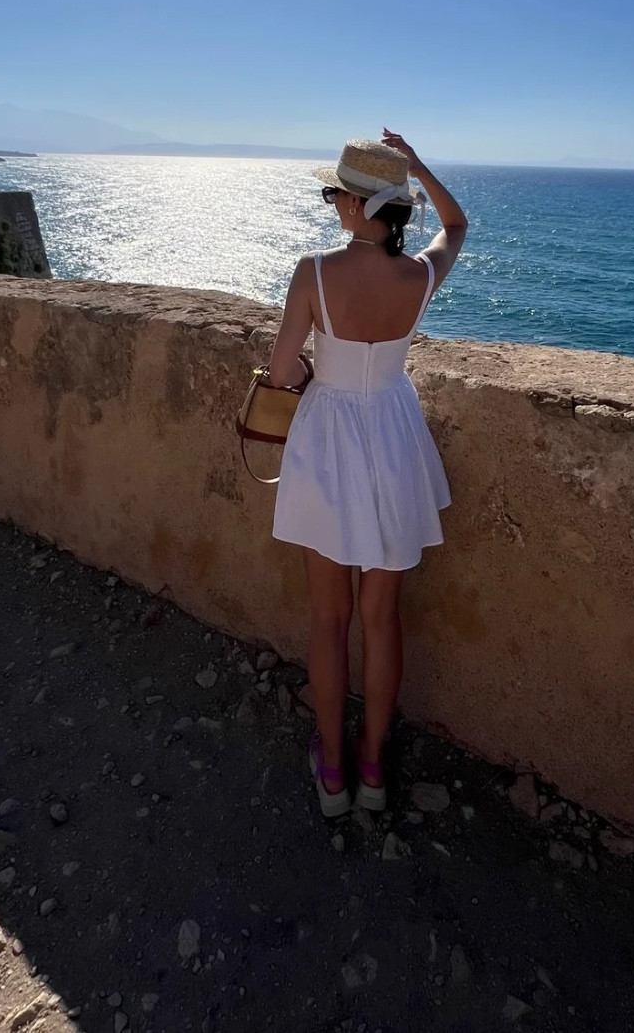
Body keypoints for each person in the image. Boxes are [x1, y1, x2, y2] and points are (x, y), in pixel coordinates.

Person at [266, 130, 468, 817]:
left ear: (357, 205)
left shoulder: (313, 272)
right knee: (382, 619)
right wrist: (417, 168)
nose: (332, 206)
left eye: (336, 195)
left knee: (330, 619)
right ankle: (376, 772)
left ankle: (332, 775)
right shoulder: (418, 277)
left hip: (329, 442)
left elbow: (284, 371)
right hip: (394, 434)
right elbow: (457, 224)